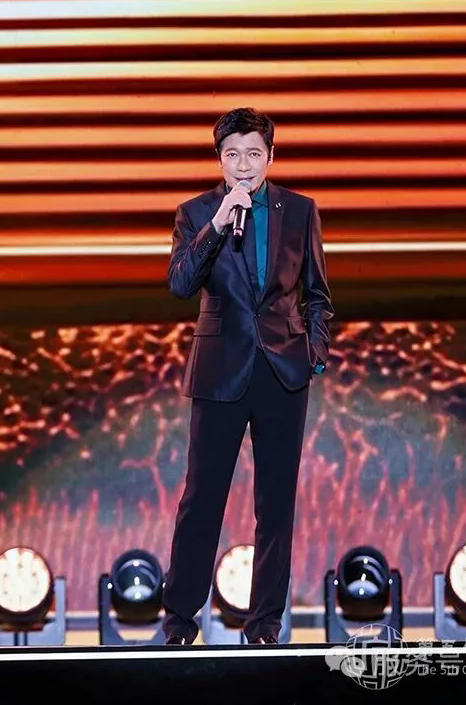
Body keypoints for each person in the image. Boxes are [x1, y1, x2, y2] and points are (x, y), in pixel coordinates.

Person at [161, 107, 334, 645]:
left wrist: (314, 354)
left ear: (271, 156)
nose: (243, 165)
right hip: (220, 370)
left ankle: (263, 626)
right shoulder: (195, 213)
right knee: (201, 497)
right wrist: (217, 224)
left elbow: (318, 295)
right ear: (219, 158)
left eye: (253, 154)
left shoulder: (300, 211)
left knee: (276, 503)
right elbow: (180, 284)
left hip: (284, 371)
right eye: (232, 154)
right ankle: (179, 621)